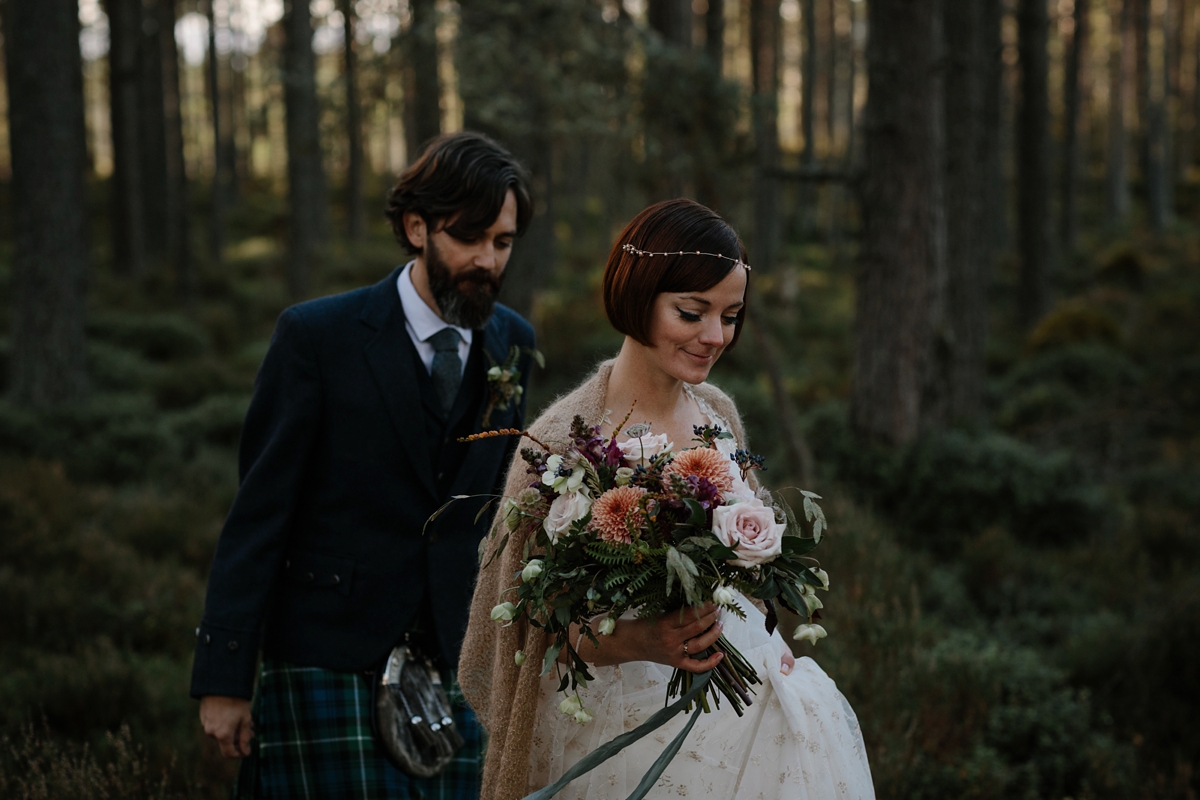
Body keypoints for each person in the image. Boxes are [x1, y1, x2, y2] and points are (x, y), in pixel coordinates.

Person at [459, 198, 875, 800]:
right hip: (619, 727)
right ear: (637, 296)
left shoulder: (718, 414)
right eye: (691, 312)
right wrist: (643, 640)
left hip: (747, 708)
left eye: (730, 316)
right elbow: (531, 620)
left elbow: (747, 571)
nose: (714, 337)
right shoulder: (566, 439)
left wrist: (773, 638)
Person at [190, 131, 537, 798]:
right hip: (327, 653)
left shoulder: (513, 342)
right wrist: (224, 678)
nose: (488, 260)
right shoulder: (318, 337)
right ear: (416, 227)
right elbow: (260, 513)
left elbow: (493, 507)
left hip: (456, 659)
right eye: (470, 237)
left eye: (503, 241)